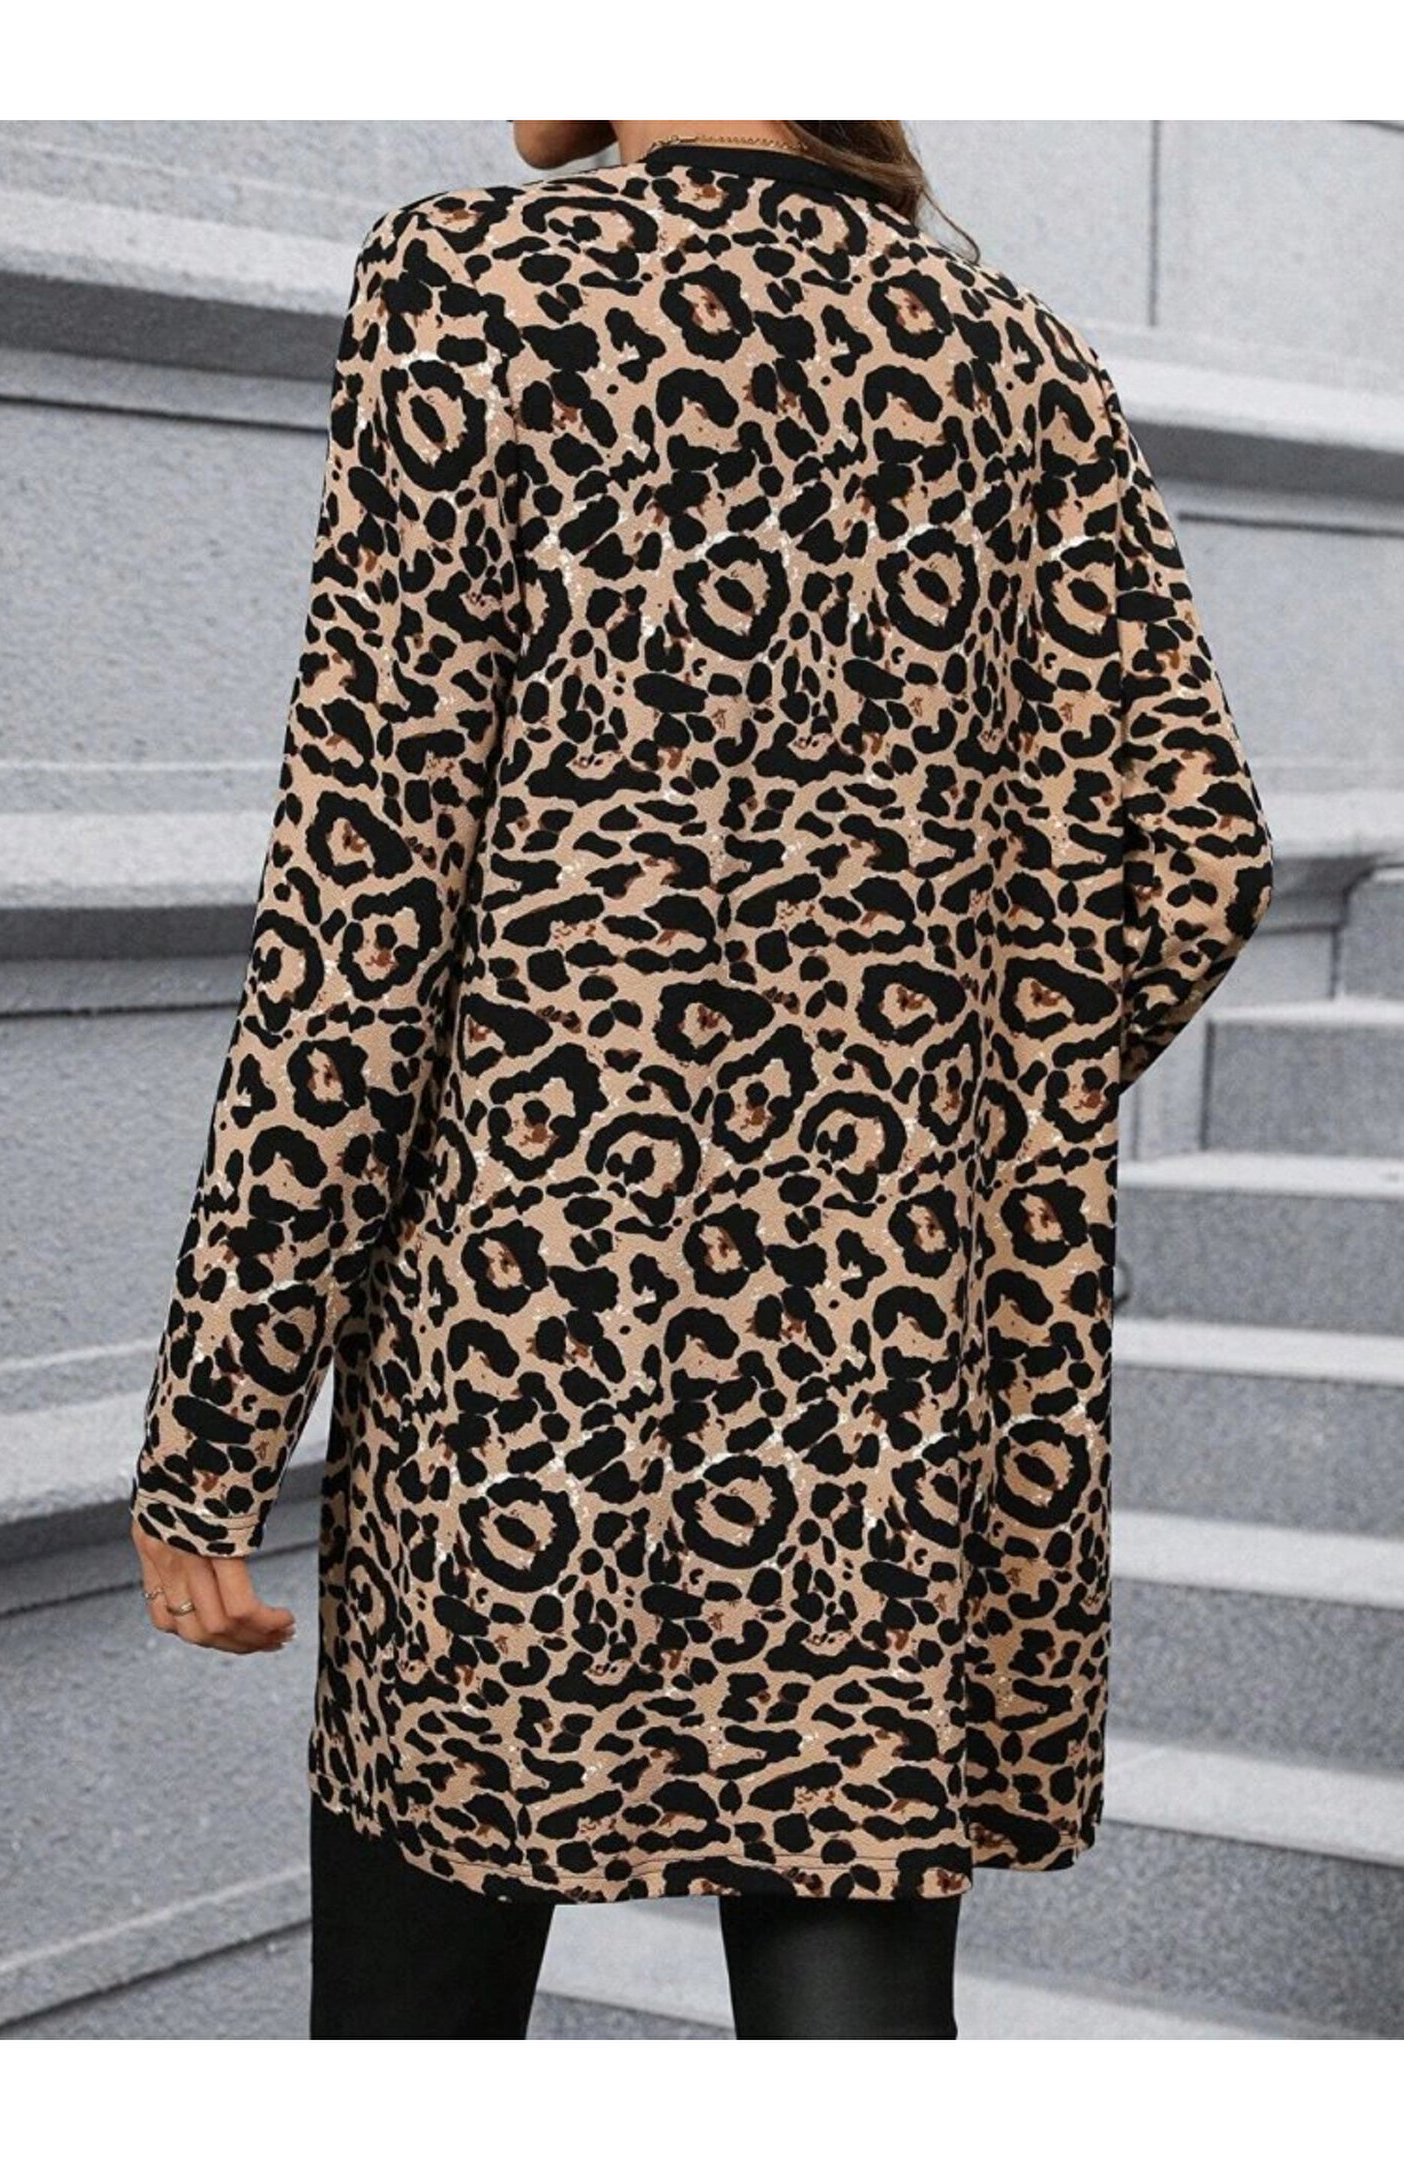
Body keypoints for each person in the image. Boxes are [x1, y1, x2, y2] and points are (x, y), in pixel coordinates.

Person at [129, 118, 1274, 2040]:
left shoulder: (475, 286)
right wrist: (949, 1108)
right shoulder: (1018, 357)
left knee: (418, 2001)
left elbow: (361, 914)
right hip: (886, 1357)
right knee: (845, 1953)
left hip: (522, 1353)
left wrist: (213, 1427)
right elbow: (1194, 858)